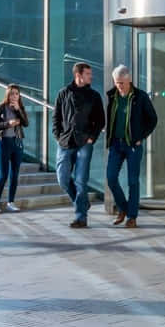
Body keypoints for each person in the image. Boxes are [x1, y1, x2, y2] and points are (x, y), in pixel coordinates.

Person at [51, 61, 106, 229]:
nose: (91, 76)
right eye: (88, 74)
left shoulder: (94, 96)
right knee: (63, 179)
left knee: (81, 181)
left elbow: (100, 120)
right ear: (78, 75)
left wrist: (91, 138)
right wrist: (58, 136)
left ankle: (81, 217)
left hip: (84, 143)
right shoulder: (63, 93)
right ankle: (82, 203)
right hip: (65, 142)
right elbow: (56, 118)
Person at [104, 65, 159, 228]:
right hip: (115, 143)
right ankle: (123, 208)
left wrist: (141, 137)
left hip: (133, 145)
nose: (118, 86)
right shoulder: (112, 96)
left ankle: (132, 217)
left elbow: (153, 119)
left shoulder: (140, 97)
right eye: (116, 82)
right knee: (111, 178)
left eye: (121, 82)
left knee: (133, 181)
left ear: (129, 80)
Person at [0, 85, 28, 213]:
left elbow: (26, 123)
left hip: (17, 143)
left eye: (16, 93)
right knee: (3, 175)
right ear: (7, 95)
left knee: (15, 175)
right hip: (4, 143)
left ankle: (11, 202)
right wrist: (7, 124)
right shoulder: (0, 107)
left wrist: (19, 110)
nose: (14, 96)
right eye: (12, 93)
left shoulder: (20, 107)